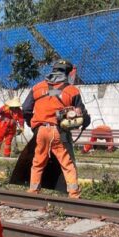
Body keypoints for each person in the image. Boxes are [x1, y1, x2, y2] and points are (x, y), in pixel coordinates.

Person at [21, 59, 90, 199]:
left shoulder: (37, 87)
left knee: (38, 161)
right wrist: (85, 122)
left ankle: (33, 191)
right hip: (59, 132)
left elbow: (26, 109)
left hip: (40, 130)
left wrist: (33, 126)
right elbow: (82, 114)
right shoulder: (72, 90)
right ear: (68, 73)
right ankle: (74, 193)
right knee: (67, 162)